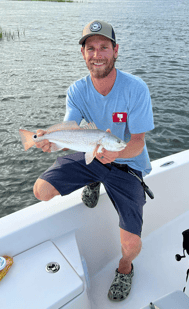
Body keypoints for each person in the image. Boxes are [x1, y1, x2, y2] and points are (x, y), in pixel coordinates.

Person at [33, 20, 154, 302]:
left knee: (131, 244)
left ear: (115, 51)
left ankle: (125, 270)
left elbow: (137, 143)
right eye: (90, 48)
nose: (97, 54)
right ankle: (93, 178)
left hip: (127, 164)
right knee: (42, 190)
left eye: (104, 47)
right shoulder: (77, 90)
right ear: (83, 53)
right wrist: (49, 138)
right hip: (92, 150)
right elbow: (70, 126)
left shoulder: (136, 89)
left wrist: (117, 154)